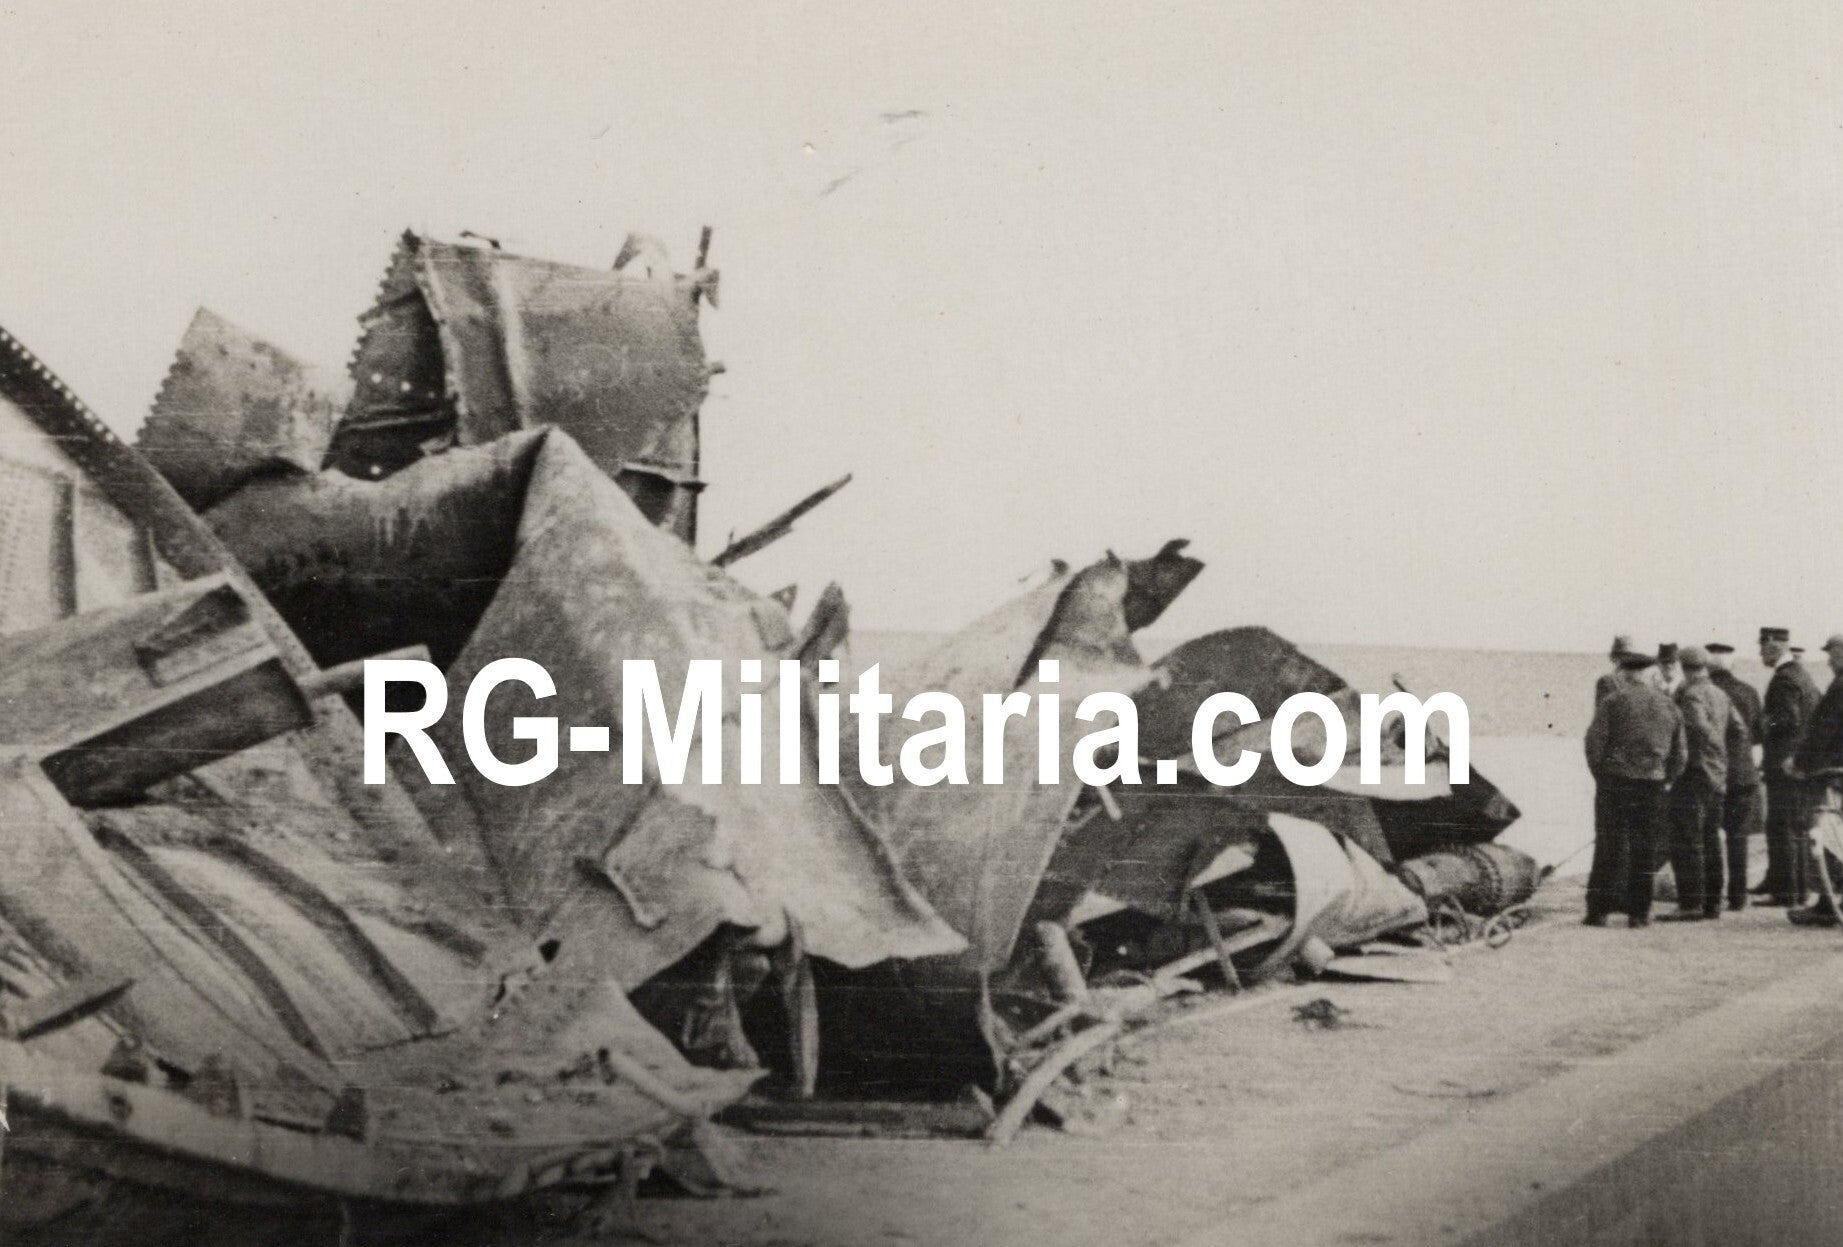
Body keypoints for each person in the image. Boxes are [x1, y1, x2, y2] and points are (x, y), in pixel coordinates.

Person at [1584, 649, 1686, 927]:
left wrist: (1602, 776)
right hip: (1652, 784)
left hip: (1615, 782)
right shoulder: (1668, 705)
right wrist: (1666, 779)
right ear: (1649, 673)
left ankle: (1598, 912)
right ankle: (1639, 913)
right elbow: (1680, 753)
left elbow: (1594, 744)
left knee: (1608, 846)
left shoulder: (1612, 701)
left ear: (1624, 673)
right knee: (1645, 849)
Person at [1661, 647, 1735, 920]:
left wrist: (1679, 765)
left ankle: (1690, 903)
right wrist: (1721, 759)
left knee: (1686, 839)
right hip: (1716, 775)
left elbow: (1698, 729)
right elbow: (1738, 730)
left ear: (1684, 666)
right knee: (1711, 838)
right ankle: (1712, 903)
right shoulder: (1720, 693)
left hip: (1693, 774)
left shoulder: (1691, 694)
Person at [1759, 627, 1822, 906]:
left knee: (1782, 826)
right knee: (1797, 828)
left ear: (1774, 645)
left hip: (1782, 765)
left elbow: (1786, 719)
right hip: (1801, 764)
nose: (1761, 652)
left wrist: (1763, 724)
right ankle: (1798, 890)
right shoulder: (1804, 677)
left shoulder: (1783, 679)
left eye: (1763, 646)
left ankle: (1785, 893)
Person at [1788, 635, 1843, 926]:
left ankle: (1826, 905)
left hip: (1833, 774)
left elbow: (1823, 731)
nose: (1829, 661)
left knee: (1828, 837)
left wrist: (1798, 762)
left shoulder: (1840, 686)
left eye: (1833, 655)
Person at [1706, 642, 1764, 911]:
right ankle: (1738, 896)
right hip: (1744, 773)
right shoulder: (1749, 692)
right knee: (1737, 837)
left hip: (1712, 774)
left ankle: (1711, 896)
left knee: (1709, 835)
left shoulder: (1704, 693)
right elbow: (1761, 733)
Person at [1596, 635, 1643, 704]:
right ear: (1615, 658)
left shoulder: (1638, 682)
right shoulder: (1606, 681)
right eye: (1623, 655)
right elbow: (1600, 710)